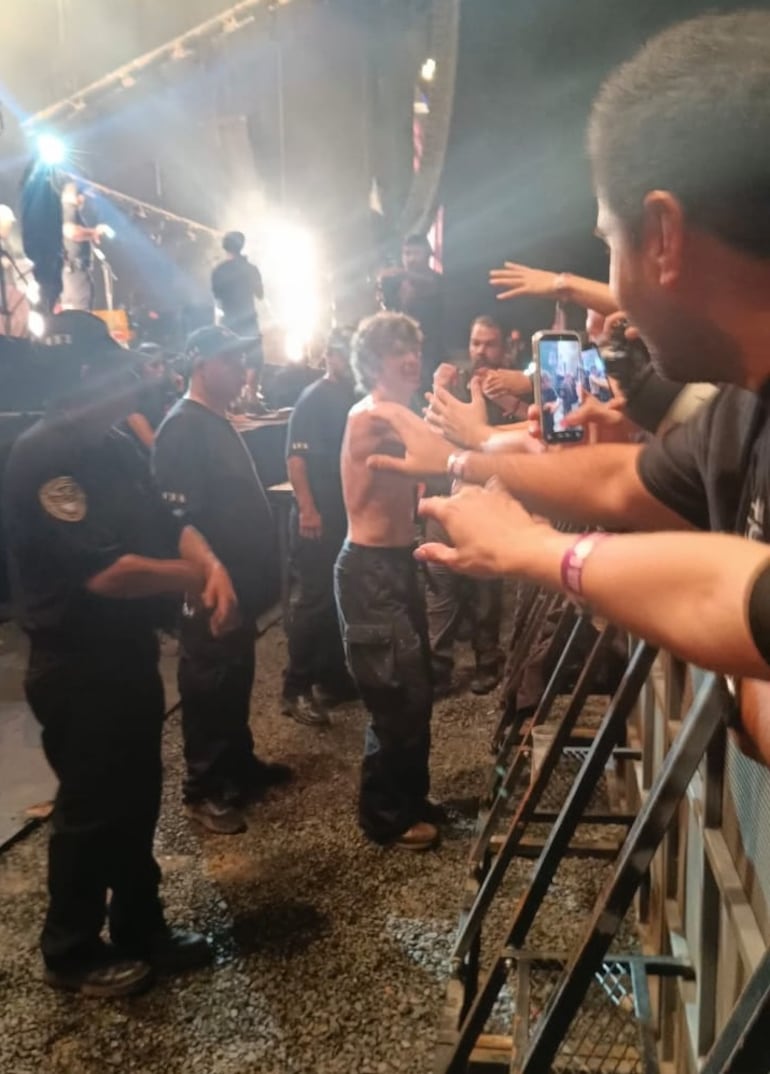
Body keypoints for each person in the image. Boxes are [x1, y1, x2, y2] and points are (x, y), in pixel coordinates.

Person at [367, 10, 770, 769]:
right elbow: (625, 480)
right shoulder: (745, 400)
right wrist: (460, 460)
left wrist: (542, 551)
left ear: (662, 237)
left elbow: (746, 600)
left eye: (608, 241)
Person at [2, 339, 237, 998]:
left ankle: (140, 926)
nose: (140, 383)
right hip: (76, 664)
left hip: (126, 653)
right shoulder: (45, 454)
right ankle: (70, 951)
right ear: (88, 378)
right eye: (126, 373)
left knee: (136, 798)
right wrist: (194, 576)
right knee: (90, 809)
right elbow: (105, 574)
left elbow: (168, 521)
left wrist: (209, 562)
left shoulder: (113, 444)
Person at [153, 326, 291, 835]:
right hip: (210, 585)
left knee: (234, 674)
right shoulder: (182, 427)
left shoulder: (214, 419)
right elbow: (177, 521)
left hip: (240, 583)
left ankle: (238, 764)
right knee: (208, 679)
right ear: (201, 364)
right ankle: (204, 786)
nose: (241, 370)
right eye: (230, 361)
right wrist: (204, 578)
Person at [335, 311, 438, 851]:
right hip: (370, 572)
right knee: (396, 696)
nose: (411, 356)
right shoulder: (373, 416)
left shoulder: (398, 412)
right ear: (374, 361)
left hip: (394, 564)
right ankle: (385, 818)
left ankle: (410, 799)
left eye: (413, 345)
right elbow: (440, 451)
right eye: (399, 349)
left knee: (416, 690)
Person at [425, 317, 512, 696]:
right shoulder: (453, 385)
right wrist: (437, 389)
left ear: (503, 349)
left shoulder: (510, 390)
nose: (481, 351)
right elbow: (428, 431)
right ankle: (437, 667)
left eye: (489, 344)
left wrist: (508, 402)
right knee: (439, 585)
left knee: (485, 590)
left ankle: (487, 661)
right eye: (476, 343)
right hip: (446, 497)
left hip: (489, 503)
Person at [282, 327, 358, 726]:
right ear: (329, 355)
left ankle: (332, 677)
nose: (349, 362)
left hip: (343, 514)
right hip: (318, 516)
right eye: (343, 354)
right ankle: (295, 688)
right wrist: (307, 509)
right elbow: (296, 460)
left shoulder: (352, 395)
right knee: (313, 602)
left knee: (334, 599)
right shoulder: (314, 398)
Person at [378, 235, 444, 391]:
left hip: (431, 355)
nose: (411, 259)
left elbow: (433, 287)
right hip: (402, 353)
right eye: (407, 254)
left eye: (416, 253)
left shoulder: (439, 283)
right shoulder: (396, 284)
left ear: (428, 255)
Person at [60, 181, 105, 312]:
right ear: (78, 196)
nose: (84, 200)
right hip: (75, 274)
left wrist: (90, 235)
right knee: (80, 313)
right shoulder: (68, 209)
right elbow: (71, 232)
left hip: (69, 273)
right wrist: (94, 232)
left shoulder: (61, 211)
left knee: (71, 314)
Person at [211, 231, 264, 340]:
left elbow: (216, 295)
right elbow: (260, 295)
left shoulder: (220, 270)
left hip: (229, 322)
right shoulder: (251, 269)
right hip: (249, 322)